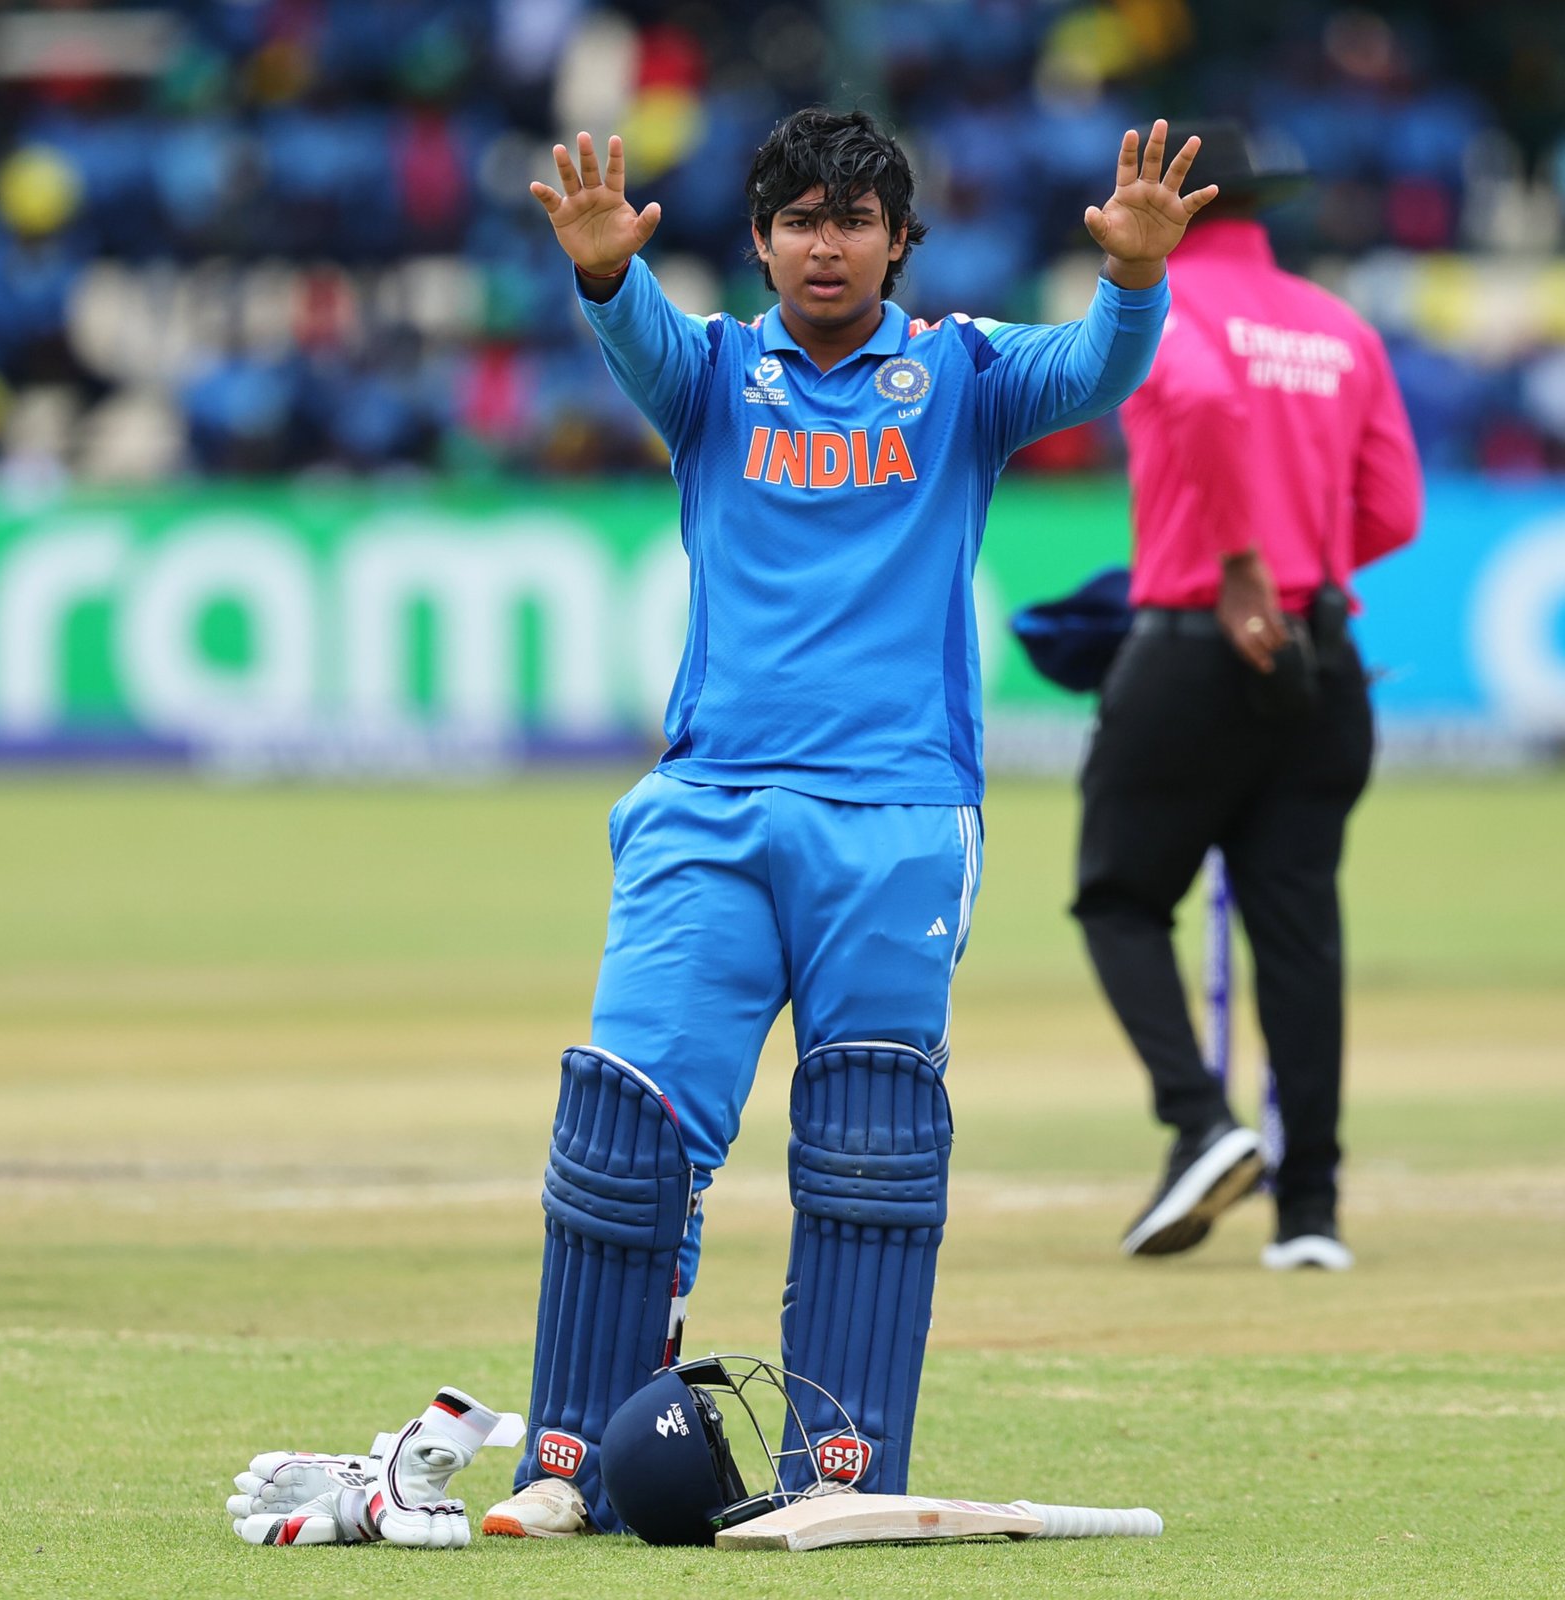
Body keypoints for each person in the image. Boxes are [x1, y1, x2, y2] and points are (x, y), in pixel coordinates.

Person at [483, 107, 1214, 1539]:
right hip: (708, 809)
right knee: (628, 1132)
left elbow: (1098, 367)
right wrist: (602, 271)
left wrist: (1134, 276)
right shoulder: (711, 373)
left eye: (855, 220)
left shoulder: (961, 376)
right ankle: (573, 1462)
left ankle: (843, 1470)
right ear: (762, 242)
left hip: (896, 816)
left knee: (870, 1140)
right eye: (802, 220)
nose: (828, 244)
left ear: (898, 241)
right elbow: (634, 331)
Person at [1070, 122, 1422, 1270]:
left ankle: (1201, 1122)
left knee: (1119, 898)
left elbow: (1206, 405)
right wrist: (1300, 574)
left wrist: (1233, 563)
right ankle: (1309, 1211)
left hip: (1196, 645)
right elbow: (1396, 510)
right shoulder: (1339, 328)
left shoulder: (1159, 303)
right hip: (1320, 658)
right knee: (1297, 930)